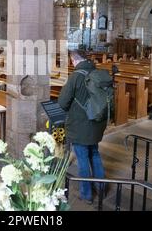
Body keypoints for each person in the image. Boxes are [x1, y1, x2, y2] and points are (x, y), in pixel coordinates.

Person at [58, 50, 108, 205]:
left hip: (80, 124)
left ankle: (86, 194)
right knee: (94, 153)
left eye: (71, 61)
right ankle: (101, 188)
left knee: (82, 158)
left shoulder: (76, 76)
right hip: (97, 122)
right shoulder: (98, 73)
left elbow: (62, 102)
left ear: (74, 60)